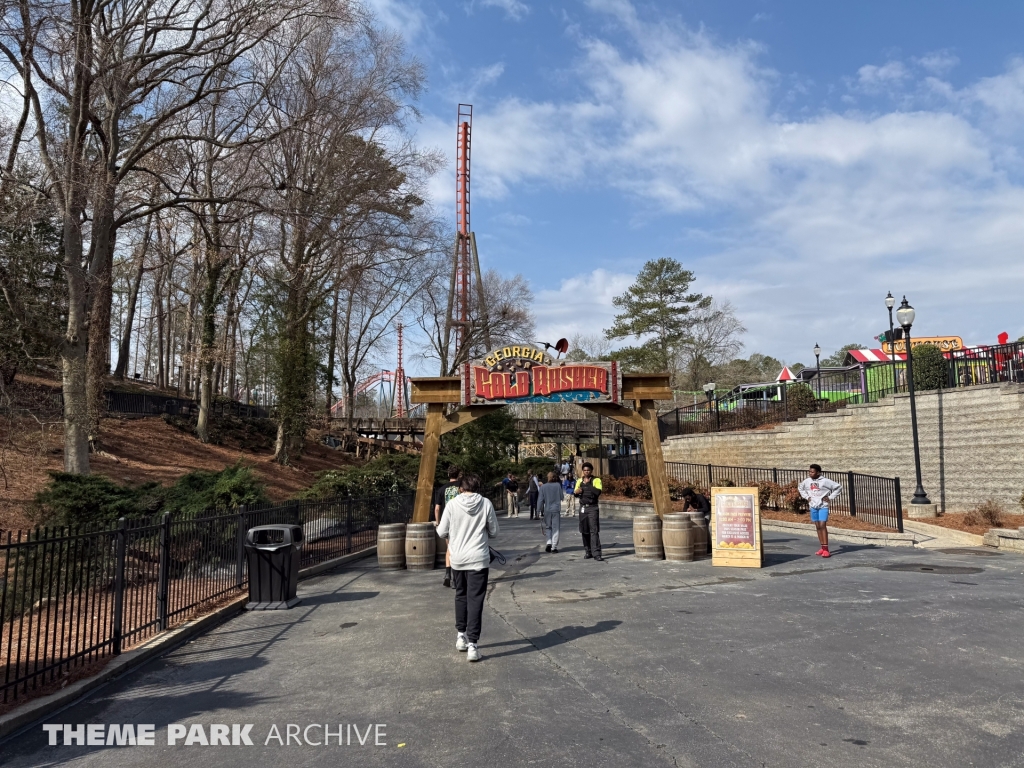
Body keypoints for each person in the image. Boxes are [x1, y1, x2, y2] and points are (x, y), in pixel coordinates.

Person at [436, 474, 499, 663]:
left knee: (460, 596)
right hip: (478, 558)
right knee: (476, 600)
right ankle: (473, 644)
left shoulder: (453, 505)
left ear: (461, 488)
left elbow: (441, 532)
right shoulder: (486, 503)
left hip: (458, 558)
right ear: (478, 487)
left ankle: (460, 636)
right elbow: (494, 531)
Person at [798, 464, 842, 558]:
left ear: (818, 472)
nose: (810, 473)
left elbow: (838, 487)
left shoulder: (825, 481)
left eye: (812, 472)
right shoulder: (807, 481)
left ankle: (826, 550)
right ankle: (822, 547)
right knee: (818, 526)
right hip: (813, 506)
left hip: (823, 506)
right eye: (809, 471)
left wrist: (830, 497)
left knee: (822, 525)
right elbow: (800, 488)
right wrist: (807, 497)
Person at [433, 466, 461, 588]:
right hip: (460, 520)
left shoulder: (442, 489)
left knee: (450, 548)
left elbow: (437, 508)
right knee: (459, 548)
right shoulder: (462, 486)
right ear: (459, 474)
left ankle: (448, 575)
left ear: (448, 475)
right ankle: (456, 578)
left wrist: (438, 523)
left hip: (447, 521)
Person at [574, 462, 603, 560]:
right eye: (585, 470)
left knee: (594, 531)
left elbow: (597, 492)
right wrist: (577, 492)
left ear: (591, 471)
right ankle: (588, 551)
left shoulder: (596, 480)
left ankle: (597, 553)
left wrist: (588, 485)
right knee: (584, 530)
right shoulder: (579, 481)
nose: (586, 472)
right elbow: (576, 493)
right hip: (583, 508)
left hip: (592, 508)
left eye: (588, 470)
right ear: (582, 471)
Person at [537, 472, 564, 553]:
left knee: (548, 527)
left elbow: (540, 500)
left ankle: (549, 542)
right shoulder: (558, 485)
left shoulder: (543, 487)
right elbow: (562, 497)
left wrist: (538, 510)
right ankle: (554, 546)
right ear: (555, 477)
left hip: (547, 509)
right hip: (556, 509)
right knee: (556, 528)